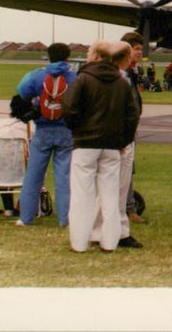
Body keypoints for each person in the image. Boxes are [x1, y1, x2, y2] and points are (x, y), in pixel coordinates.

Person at [63, 41, 140, 253]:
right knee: (111, 195)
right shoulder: (121, 82)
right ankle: (110, 241)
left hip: (86, 144)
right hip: (112, 146)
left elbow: (69, 109)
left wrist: (79, 131)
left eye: (89, 52)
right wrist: (122, 141)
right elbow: (132, 116)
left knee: (82, 194)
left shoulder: (83, 79)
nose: (87, 55)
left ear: (96, 55)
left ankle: (79, 242)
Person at [89, 35, 144, 249]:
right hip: (120, 140)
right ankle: (118, 232)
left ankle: (96, 229)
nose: (138, 55)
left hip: (112, 138)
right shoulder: (120, 78)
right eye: (135, 51)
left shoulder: (117, 76)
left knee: (111, 188)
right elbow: (126, 111)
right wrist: (124, 138)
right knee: (118, 188)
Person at [14, 43, 77, 227]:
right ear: (68, 57)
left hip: (42, 130)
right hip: (66, 131)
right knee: (64, 177)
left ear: (48, 56)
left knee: (33, 175)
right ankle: (65, 219)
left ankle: (26, 217)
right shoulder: (74, 77)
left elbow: (22, 91)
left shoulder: (37, 75)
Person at [120, 32, 146, 227]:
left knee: (128, 168)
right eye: (137, 49)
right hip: (123, 128)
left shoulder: (131, 72)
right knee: (124, 168)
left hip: (130, 126)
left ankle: (127, 207)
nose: (140, 53)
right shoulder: (123, 74)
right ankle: (128, 209)